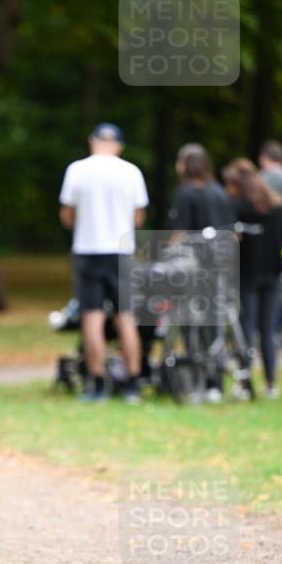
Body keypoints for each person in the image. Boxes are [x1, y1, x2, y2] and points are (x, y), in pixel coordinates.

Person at [59, 123, 148, 404]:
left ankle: (96, 383)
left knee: (92, 317)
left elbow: (68, 213)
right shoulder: (131, 171)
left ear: (92, 141)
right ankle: (133, 381)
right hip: (121, 251)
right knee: (126, 315)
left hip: (88, 249)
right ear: (119, 145)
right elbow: (138, 217)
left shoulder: (77, 170)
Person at [168, 143, 235, 402]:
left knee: (191, 323)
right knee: (215, 322)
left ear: (185, 165)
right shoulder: (219, 191)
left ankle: (197, 376)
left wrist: (166, 257)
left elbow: (179, 234)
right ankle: (215, 382)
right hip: (221, 265)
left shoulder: (186, 193)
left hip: (194, 266)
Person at [222, 158, 282, 398]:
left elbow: (230, 238)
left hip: (248, 274)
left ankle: (245, 381)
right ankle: (271, 383)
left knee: (246, 329)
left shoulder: (238, 207)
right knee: (267, 330)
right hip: (273, 273)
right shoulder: (276, 205)